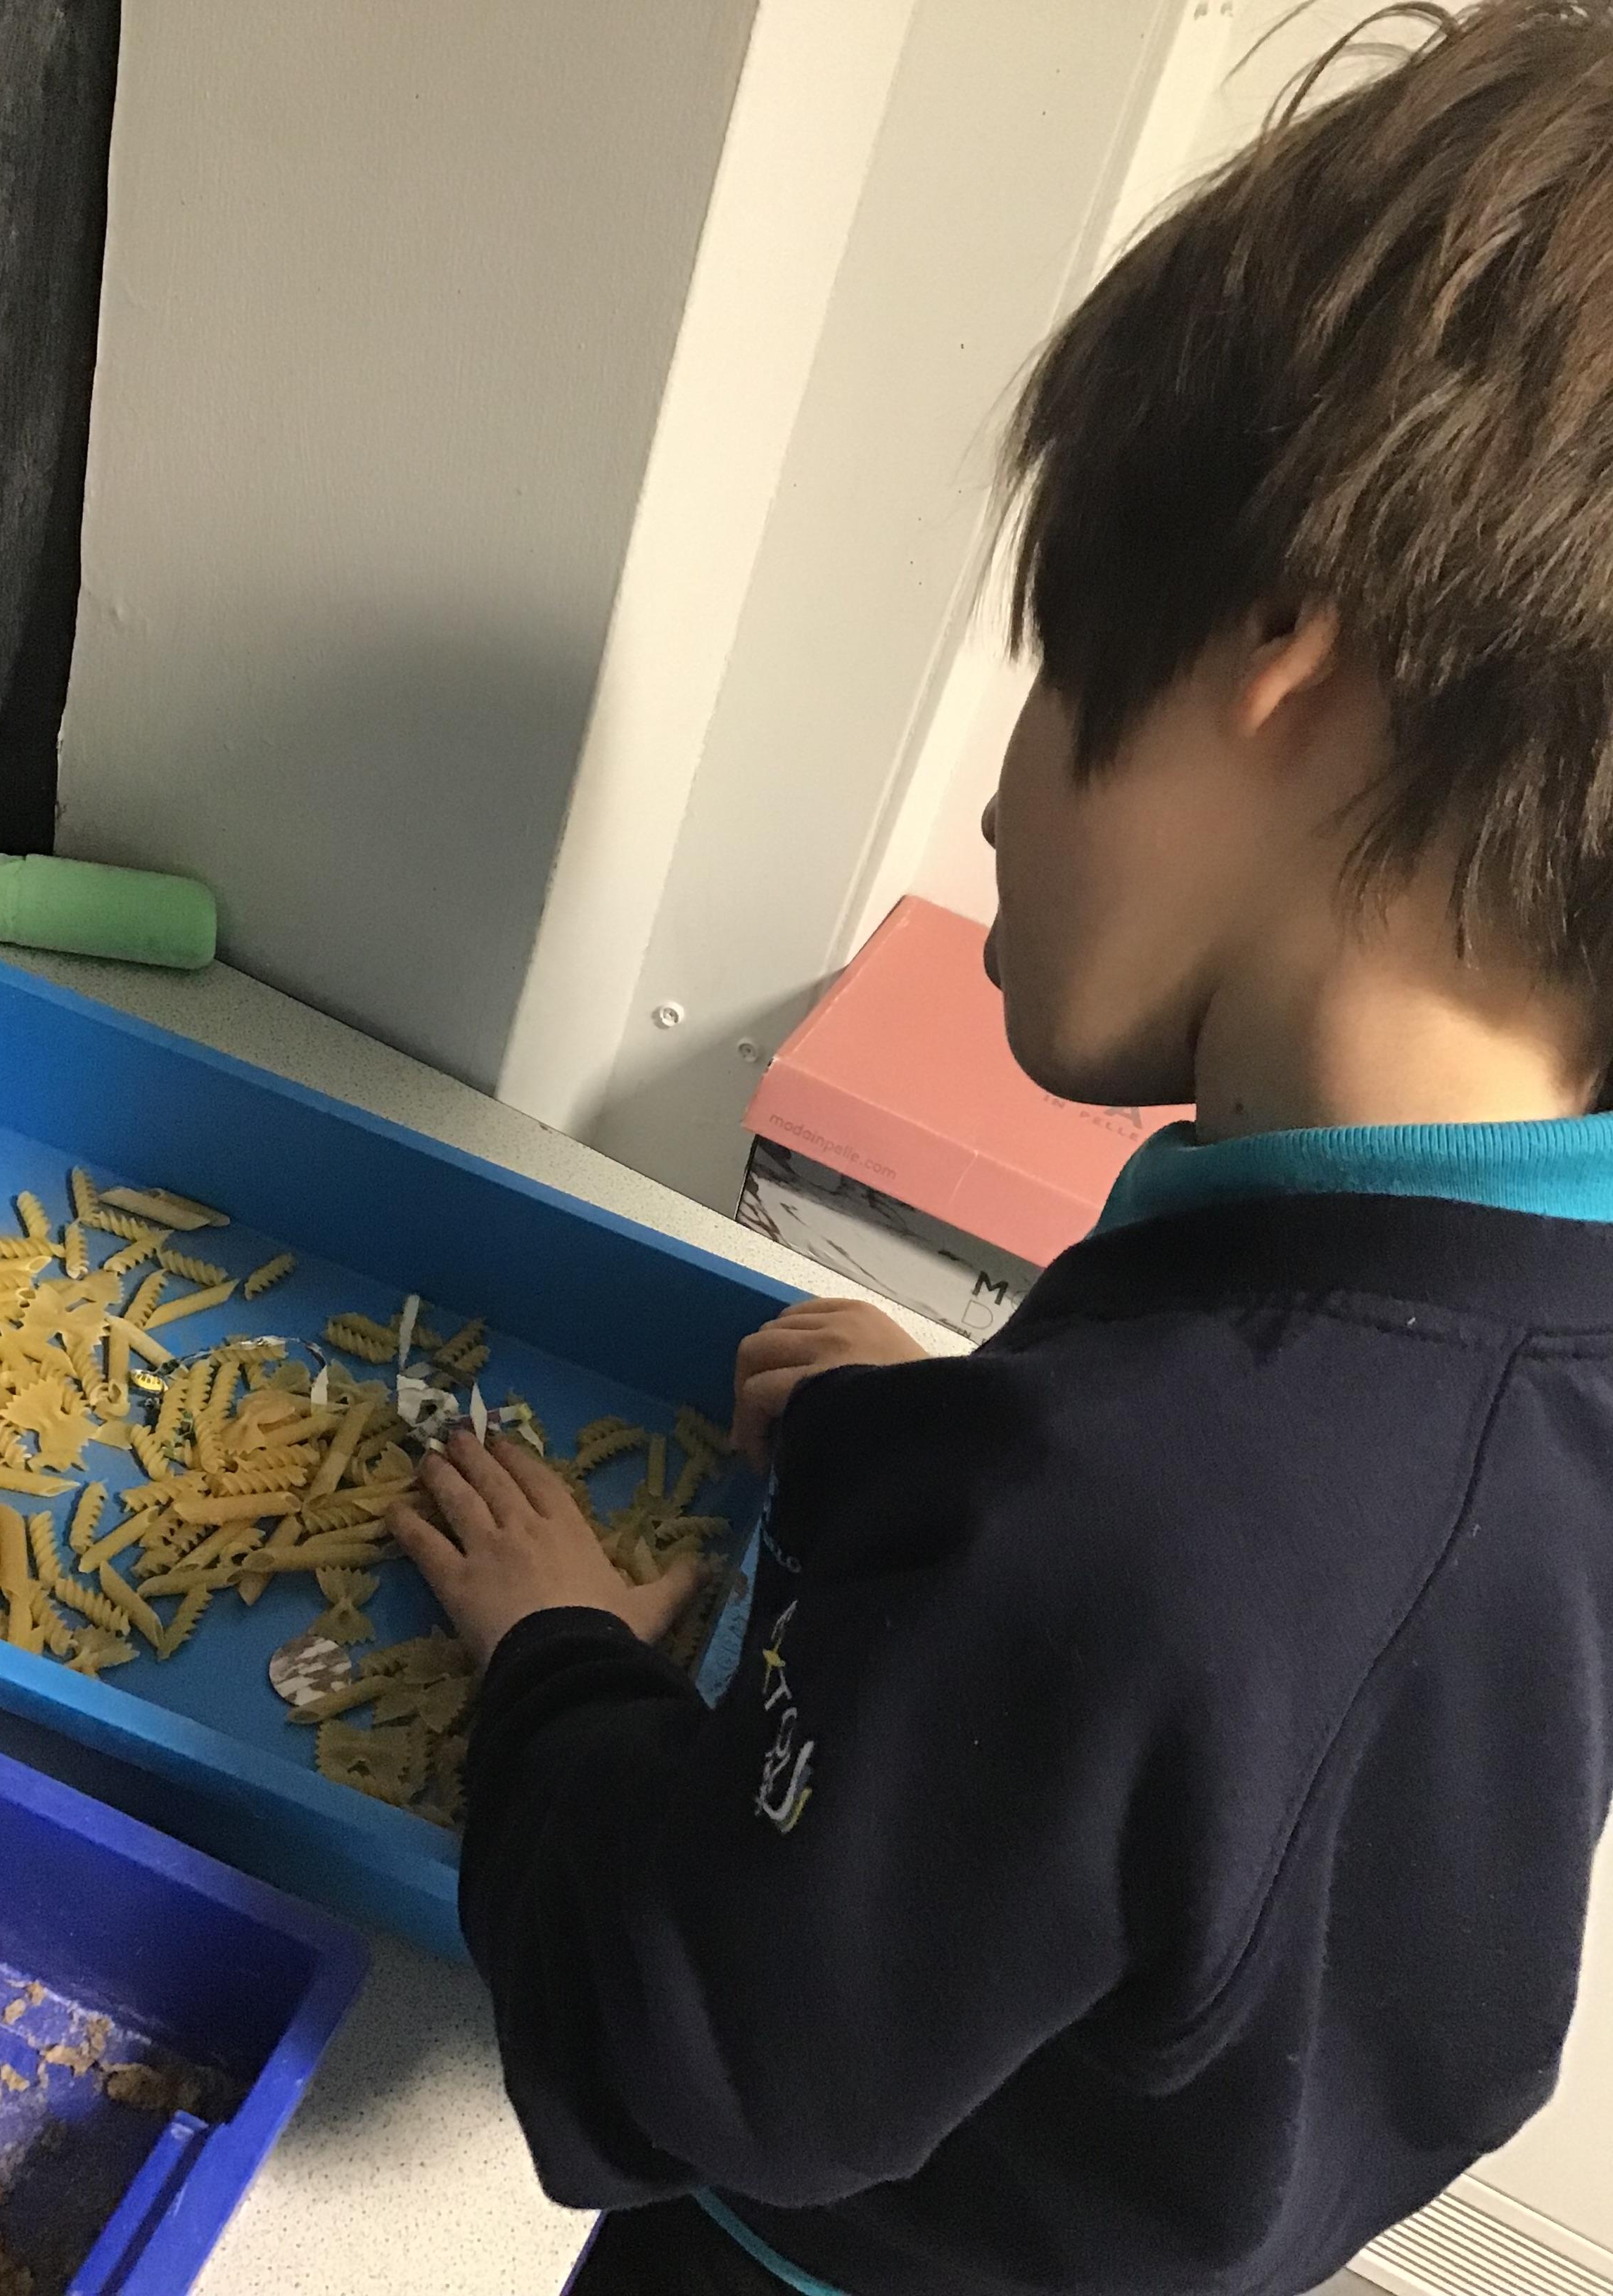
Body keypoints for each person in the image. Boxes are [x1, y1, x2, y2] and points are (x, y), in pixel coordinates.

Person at [388, 4, 1613, 2288]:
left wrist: (561, 1665)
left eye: (1049, 673)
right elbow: (1253, 1728)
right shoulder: (1494, 1330)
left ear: (1279, 665)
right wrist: (956, 1472)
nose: (988, 800)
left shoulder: (1126, 1526)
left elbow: (670, 2054)